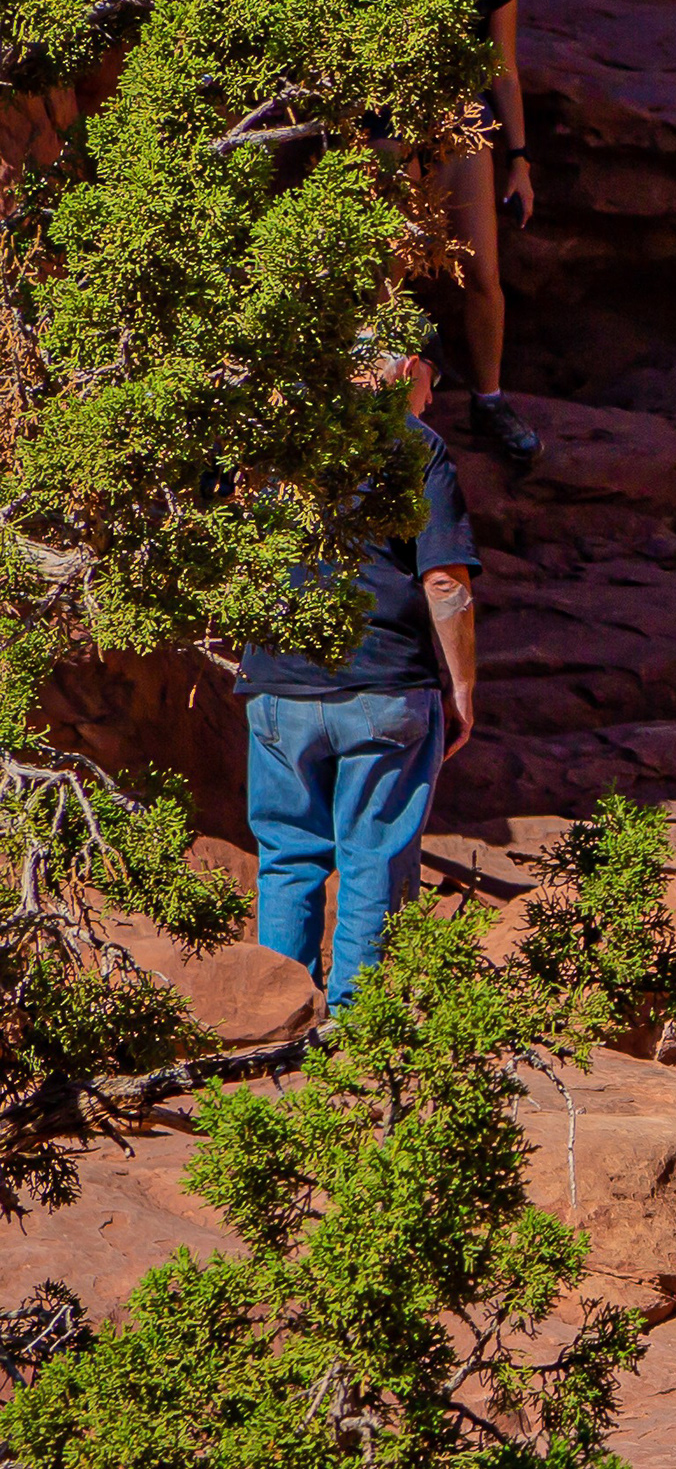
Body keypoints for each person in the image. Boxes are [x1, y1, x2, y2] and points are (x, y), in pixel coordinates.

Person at [238, 350, 481, 1017]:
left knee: (287, 853)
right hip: (383, 683)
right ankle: (358, 1029)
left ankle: (273, 1020)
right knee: (373, 857)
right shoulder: (415, 445)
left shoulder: (280, 434)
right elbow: (442, 580)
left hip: (277, 684)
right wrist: (461, 689)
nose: (431, 400)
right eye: (434, 379)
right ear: (406, 365)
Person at [391, 0, 543, 469]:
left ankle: (488, 397)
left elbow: (502, 70)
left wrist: (521, 158)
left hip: (460, 118)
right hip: (389, 117)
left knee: (483, 273)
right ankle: (380, 398)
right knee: (390, 265)